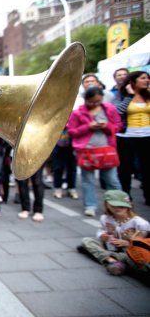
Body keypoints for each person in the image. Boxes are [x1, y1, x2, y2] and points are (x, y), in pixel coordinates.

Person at [67, 86, 123, 217]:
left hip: (107, 150)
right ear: (86, 100)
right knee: (88, 180)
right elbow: (71, 131)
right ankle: (90, 205)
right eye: (91, 101)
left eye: (98, 101)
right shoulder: (77, 113)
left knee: (112, 180)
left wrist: (107, 126)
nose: (95, 104)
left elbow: (118, 126)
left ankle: (118, 206)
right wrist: (88, 127)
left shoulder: (109, 109)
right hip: (86, 151)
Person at [80, 190, 149, 276]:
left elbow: (143, 245)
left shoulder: (140, 223)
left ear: (129, 206)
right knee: (87, 240)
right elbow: (101, 230)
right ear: (106, 205)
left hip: (129, 252)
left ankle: (110, 259)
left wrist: (127, 243)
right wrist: (102, 235)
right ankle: (112, 260)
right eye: (114, 206)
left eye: (122, 206)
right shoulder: (105, 218)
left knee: (138, 261)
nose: (118, 208)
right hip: (110, 246)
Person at [113, 71, 150, 206]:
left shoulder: (148, 95)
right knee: (125, 168)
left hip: (146, 135)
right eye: (143, 78)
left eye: (147, 78)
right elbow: (117, 112)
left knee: (147, 168)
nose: (146, 81)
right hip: (126, 136)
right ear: (133, 81)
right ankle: (126, 195)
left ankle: (148, 196)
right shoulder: (121, 95)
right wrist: (130, 95)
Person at [50, 127, 78, 199]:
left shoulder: (74, 115)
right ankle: (58, 188)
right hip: (58, 142)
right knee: (58, 167)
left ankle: (71, 188)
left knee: (72, 168)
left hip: (72, 143)